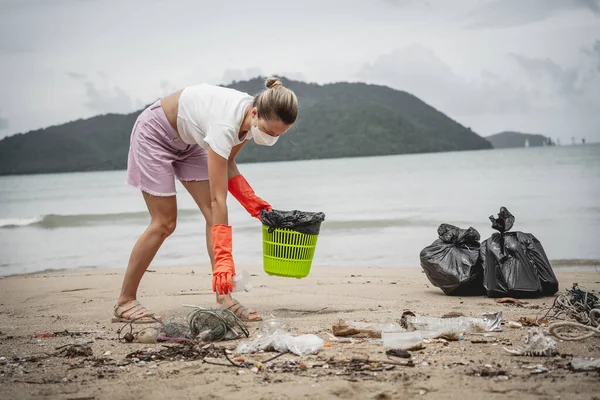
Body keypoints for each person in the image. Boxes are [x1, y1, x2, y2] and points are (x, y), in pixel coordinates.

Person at [112, 77, 298, 324]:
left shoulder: (249, 123)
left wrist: (254, 204)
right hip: (155, 135)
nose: (270, 138)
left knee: (213, 220)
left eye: (278, 135)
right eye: (268, 131)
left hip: (190, 142)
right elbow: (217, 200)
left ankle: (224, 299)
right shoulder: (225, 125)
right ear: (254, 113)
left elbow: (228, 163)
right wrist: (224, 261)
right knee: (165, 222)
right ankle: (125, 301)